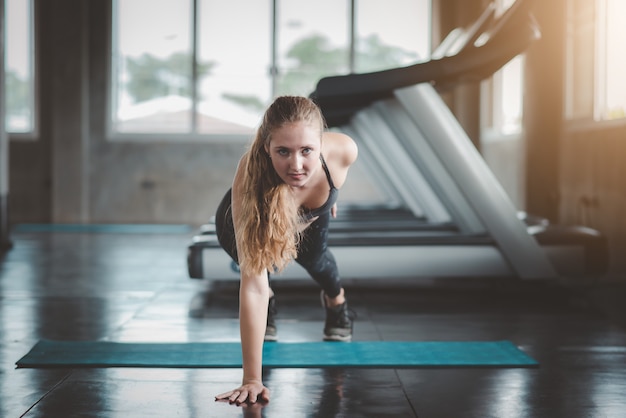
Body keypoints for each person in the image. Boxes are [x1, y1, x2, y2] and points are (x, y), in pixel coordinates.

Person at [213, 96, 358, 405]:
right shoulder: (250, 177)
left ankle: (337, 301)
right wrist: (252, 379)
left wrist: (331, 197)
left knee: (318, 261)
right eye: (283, 151)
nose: (296, 165)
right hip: (250, 218)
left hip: (308, 216)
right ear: (267, 147)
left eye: (307, 150)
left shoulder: (344, 150)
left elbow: (335, 177)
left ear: (320, 143)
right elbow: (252, 285)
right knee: (259, 282)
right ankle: (268, 307)